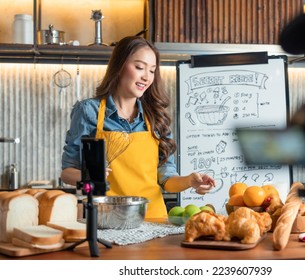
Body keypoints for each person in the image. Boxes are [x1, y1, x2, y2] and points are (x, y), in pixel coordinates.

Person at [61, 36, 215, 219]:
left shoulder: (157, 118)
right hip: (107, 221)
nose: (146, 77)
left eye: (152, 70)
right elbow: (67, 172)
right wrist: (89, 177)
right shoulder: (89, 111)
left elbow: (166, 179)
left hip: (153, 220)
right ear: (119, 66)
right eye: (139, 67)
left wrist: (190, 181)